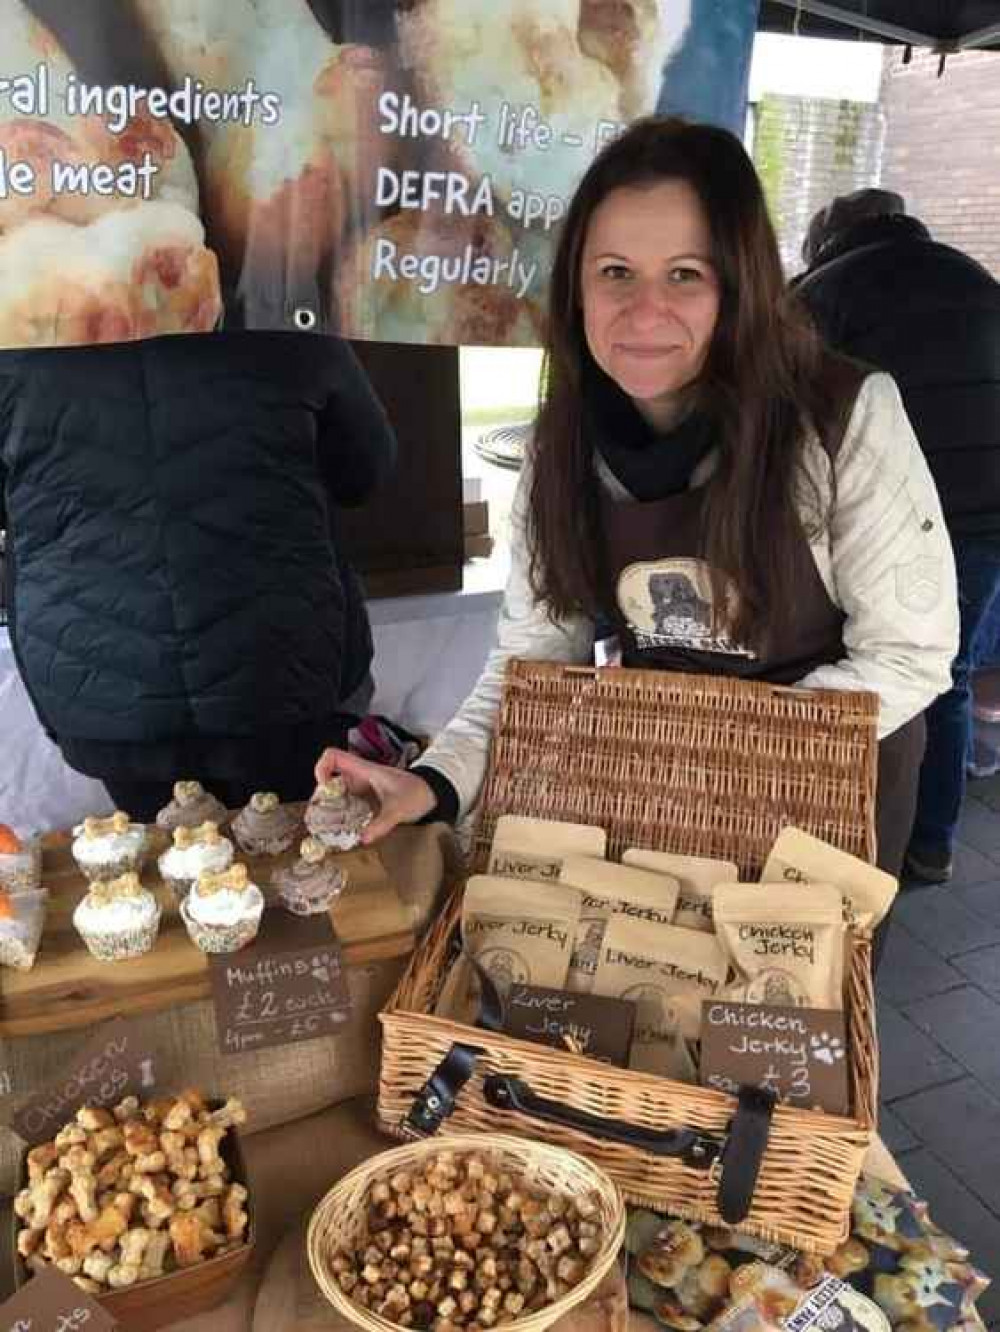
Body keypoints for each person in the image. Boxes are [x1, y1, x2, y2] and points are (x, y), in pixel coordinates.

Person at [315, 117, 958, 896]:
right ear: (576, 286)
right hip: (657, 798)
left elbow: (909, 656)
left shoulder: (842, 416)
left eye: (685, 273)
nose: (645, 311)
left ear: (739, 284)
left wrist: (701, 755)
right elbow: (533, 657)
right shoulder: (565, 444)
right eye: (616, 272)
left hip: (823, 804)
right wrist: (436, 782)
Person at [0, 330, 396, 820]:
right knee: (299, 862)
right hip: (279, 669)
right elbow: (365, 471)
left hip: (103, 678)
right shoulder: (284, 319)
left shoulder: (20, 330)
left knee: (166, 869)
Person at [798, 188, 1000, 884]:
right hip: (985, 522)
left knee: (864, 673)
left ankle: (842, 836)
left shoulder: (823, 293)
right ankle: (932, 844)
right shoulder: (976, 279)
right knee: (942, 675)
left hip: (880, 521)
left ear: (826, 240)